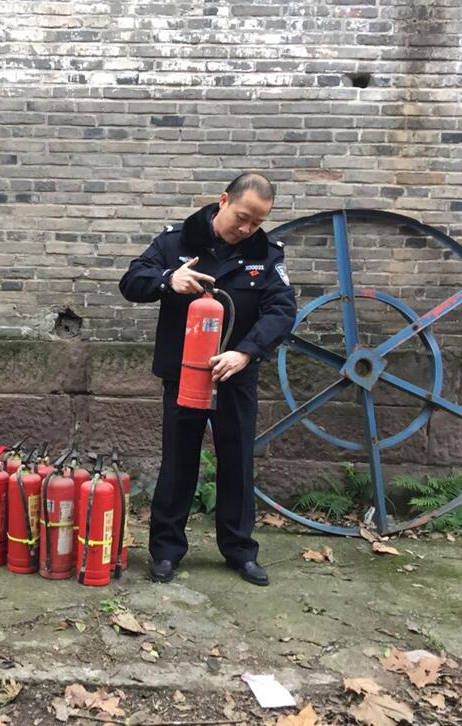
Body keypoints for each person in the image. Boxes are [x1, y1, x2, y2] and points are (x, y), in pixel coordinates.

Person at [119, 173, 296, 586]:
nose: (247, 228)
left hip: (235, 374)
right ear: (223, 201)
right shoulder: (175, 243)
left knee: (237, 462)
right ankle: (166, 551)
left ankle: (240, 551)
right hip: (183, 374)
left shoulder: (265, 255)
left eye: (257, 222)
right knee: (178, 461)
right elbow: (131, 281)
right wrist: (168, 280)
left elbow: (282, 310)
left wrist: (245, 352)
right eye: (242, 217)